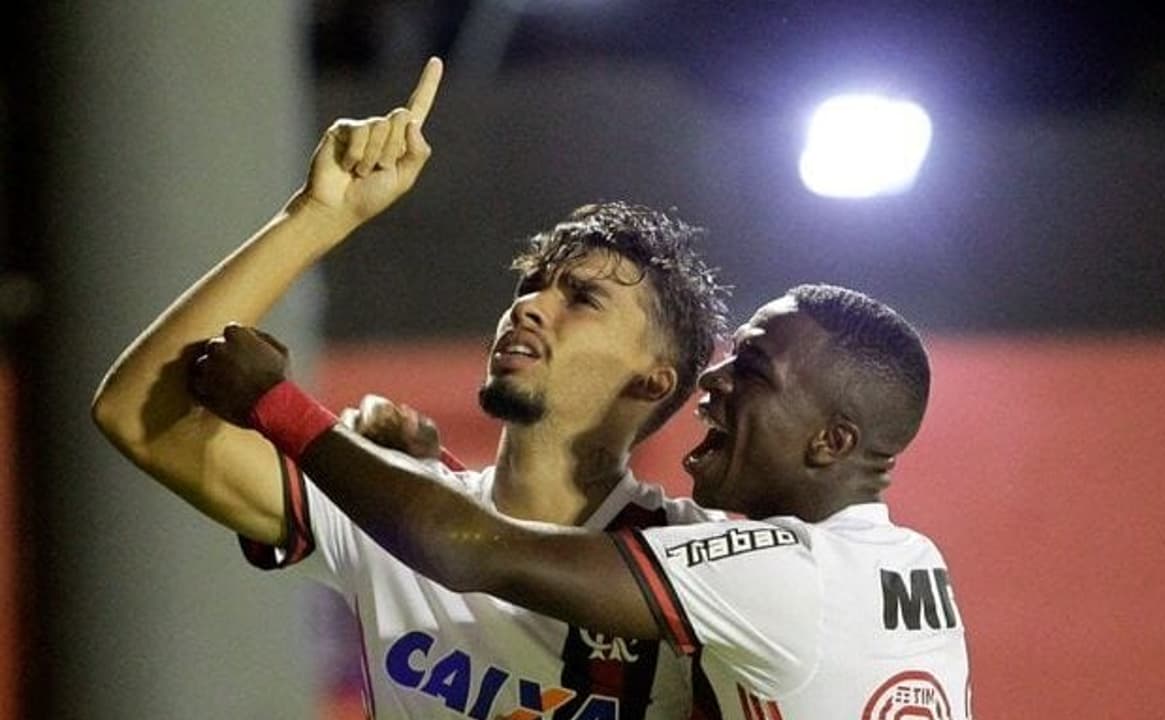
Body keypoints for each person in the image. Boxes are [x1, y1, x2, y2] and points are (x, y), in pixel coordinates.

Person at [91, 56, 733, 719]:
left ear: (653, 381)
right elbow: (133, 411)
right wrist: (318, 216)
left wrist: (283, 406)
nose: (530, 306)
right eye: (530, 286)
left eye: (582, 299)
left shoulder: (700, 565)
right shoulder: (382, 503)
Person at [189, 284, 974, 719]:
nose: (713, 379)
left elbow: (472, 551)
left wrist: (275, 404)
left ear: (832, 442)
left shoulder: (782, 578)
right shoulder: (908, 562)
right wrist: (442, 475)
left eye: (754, 371)